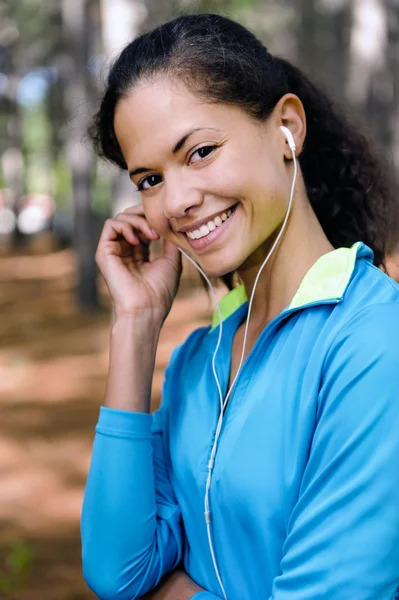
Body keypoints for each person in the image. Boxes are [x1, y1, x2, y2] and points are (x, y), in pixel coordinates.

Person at [81, 13, 399, 600]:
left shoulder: (375, 341)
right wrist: (135, 324)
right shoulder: (196, 361)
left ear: (287, 128)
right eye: (149, 179)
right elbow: (118, 572)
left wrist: (177, 593)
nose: (176, 201)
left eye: (200, 151)